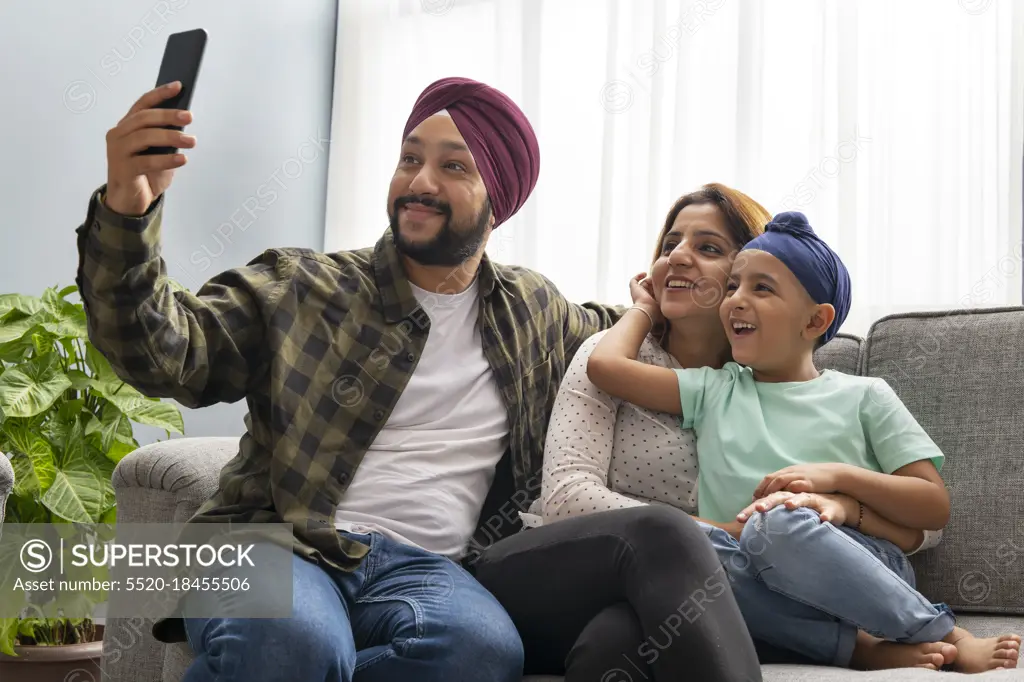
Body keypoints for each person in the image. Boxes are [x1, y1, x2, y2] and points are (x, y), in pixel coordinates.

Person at [75, 76, 761, 682]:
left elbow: (658, 334)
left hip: (431, 571)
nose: (421, 181)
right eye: (410, 159)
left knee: (483, 651)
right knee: (295, 641)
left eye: (452, 166)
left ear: (500, 200)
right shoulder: (302, 286)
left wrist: (733, 301)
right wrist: (128, 213)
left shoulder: (534, 314)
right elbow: (166, 351)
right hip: (275, 543)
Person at [584, 210, 1022, 673]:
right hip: (753, 578)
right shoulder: (714, 389)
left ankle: (943, 632)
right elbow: (605, 367)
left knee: (776, 524)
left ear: (815, 320)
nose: (736, 299)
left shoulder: (864, 396)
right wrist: (643, 309)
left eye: (762, 288)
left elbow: (933, 505)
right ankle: (857, 648)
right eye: (733, 286)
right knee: (681, 543)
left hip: (860, 569)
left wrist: (835, 480)